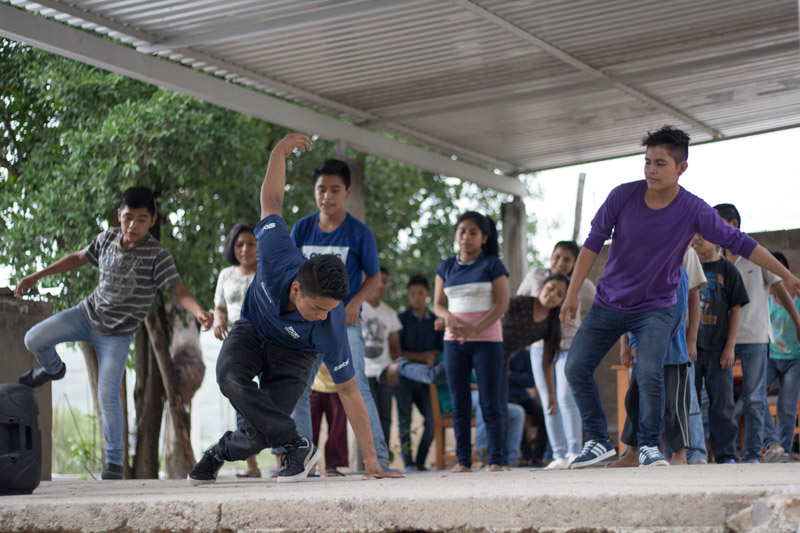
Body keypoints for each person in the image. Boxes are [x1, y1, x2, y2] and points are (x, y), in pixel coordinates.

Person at [561, 125, 800, 469]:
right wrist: (572, 294)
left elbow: (741, 242)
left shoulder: (694, 210)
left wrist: (788, 275)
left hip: (656, 308)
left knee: (649, 373)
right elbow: (592, 244)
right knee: (576, 367)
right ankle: (598, 440)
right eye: (647, 162)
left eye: (660, 163)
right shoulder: (622, 196)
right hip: (609, 302)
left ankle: (647, 446)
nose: (651, 170)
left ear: (681, 167)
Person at [186, 133, 403, 485]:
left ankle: (218, 454)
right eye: (316, 308)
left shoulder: (329, 323)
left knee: (257, 433)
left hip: (295, 357)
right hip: (253, 331)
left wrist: (372, 461)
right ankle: (295, 442)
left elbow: (350, 391)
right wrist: (278, 153)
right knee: (228, 376)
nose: (322, 316)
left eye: (329, 311)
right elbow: (272, 200)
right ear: (297, 288)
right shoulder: (273, 254)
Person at [15, 186, 213, 480]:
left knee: (108, 395)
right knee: (33, 338)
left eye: (141, 219)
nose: (133, 225)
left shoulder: (157, 255)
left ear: (153, 220)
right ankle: (53, 369)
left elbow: (179, 290)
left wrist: (198, 311)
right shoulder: (107, 238)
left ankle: (113, 464)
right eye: (128, 217)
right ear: (119, 215)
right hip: (86, 315)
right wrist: (37, 275)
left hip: (117, 336)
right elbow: (78, 257)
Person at [277, 157, 391, 469]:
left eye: (335, 190)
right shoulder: (302, 227)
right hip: (305, 323)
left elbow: (374, 278)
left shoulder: (359, 232)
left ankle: (377, 459)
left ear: (348, 192)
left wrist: (355, 303)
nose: (327, 196)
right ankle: (301, 462)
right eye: (321, 189)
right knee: (297, 388)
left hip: (344, 322)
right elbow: (289, 270)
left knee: (355, 386)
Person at [390, 273, 569, 469]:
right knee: (435, 375)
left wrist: (550, 394)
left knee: (498, 406)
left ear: (563, 301)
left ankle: (496, 460)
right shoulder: (523, 303)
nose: (552, 294)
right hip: (478, 346)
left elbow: (546, 362)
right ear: (542, 286)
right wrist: (457, 321)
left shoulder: (551, 324)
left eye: (560, 294)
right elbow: (490, 310)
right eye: (550, 288)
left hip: (499, 361)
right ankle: (401, 365)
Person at [714, 203, 800, 463]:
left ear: (734, 225)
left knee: (754, 398)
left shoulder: (755, 255)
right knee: (724, 401)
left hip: (755, 337)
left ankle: (752, 454)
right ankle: (727, 453)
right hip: (723, 339)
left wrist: (797, 321)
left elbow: (781, 289)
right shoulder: (712, 257)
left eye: (719, 223)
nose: (713, 229)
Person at [608, 247, 706, 467]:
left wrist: (669, 342)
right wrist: (630, 343)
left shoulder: (676, 266)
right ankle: (632, 451)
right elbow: (626, 309)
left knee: (674, 406)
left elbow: (680, 311)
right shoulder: (635, 268)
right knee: (635, 402)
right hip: (643, 352)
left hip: (673, 352)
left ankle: (679, 454)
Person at [433, 211, 510, 472]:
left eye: (473, 232)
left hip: (488, 341)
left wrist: (475, 328)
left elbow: (502, 304)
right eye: (462, 231)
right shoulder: (446, 267)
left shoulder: (492, 265)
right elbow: (437, 304)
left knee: (490, 402)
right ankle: (463, 462)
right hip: (454, 343)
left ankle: (497, 460)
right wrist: (447, 318)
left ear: (484, 237)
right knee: (459, 402)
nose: (466, 237)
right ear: (456, 235)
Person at [518, 241, 595, 470]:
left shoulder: (581, 284)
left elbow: (604, 300)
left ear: (574, 264)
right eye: (557, 257)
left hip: (569, 347)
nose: (560, 263)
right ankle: (558, 454)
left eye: (567, 260)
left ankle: (574, 451)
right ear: (551, 256)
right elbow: (521, 302)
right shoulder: (535, 276)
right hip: (539, 349)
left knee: (565, 397)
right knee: (548, 401)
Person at [691, 232, 749, 463]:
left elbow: (735, 310)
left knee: (722, 405)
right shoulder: (684, 265)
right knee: (689, 402)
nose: (695, 239)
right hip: (690, 349)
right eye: (692, 234)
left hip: (719, 350)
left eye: (701, 234)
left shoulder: (728, 271)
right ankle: (692, 452)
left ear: (715, 237)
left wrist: (730, 347)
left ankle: (725, 454)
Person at [212, 222, 261, 478]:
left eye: (251, 243)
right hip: (236, 346)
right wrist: (218, 320)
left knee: (274, 400)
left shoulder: (267, 271)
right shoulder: (225, 275)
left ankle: (285, 461)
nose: (245, 249)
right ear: (232, 246)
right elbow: (219, 306)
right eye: (240, 244)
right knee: (241, 403)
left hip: (266, 343)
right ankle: (252, 466)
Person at [396, 274, 442, 471]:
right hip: (404, 380)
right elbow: (398, 352)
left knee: (432, 421)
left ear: (428, 294)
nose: (416, 297)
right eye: (412, 293)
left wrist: (430, 357)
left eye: (420, 293)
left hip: (427, 382)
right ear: (408, 295)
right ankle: (408, 464)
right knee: (404, 422)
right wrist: (423, 356)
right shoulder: (401, 320)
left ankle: (421, 462)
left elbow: (440, 350)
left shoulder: (436, 321)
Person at [760, 251, 800, 463]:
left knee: (787, 408)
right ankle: (772, 442)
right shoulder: (767, 301)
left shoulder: (798, 300)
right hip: (770, 358)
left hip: (794, 360)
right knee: (756, 394)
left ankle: (782, 451)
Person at [361, 266, 402, 446]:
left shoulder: (390, 313)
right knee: (368, 418)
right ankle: (369, 459)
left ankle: (383, 458)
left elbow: (394, 346)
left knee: (386, 417)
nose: (381, 285)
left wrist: (396, 368)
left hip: (385, 373)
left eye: (385, 281)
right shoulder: (357, 307)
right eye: (378, 280)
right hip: (363, 373)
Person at [310, 364, 348, 476]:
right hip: (313, 386)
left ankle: (332, 465)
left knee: (337, 429)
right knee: (310, 427)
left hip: (338, 387)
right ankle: (308, 464)